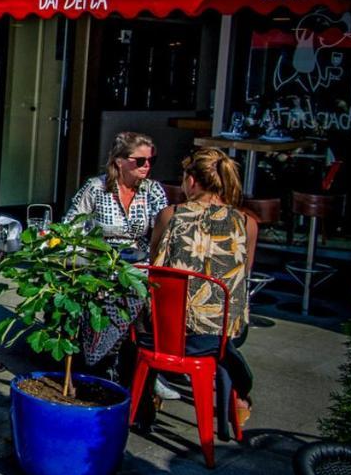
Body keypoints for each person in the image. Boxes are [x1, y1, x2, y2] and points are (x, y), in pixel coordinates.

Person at [149, 148, 257, 427]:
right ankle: (238, 396)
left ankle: (144, 399)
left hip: (172, 335)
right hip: (225, 333)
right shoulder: (247, 223)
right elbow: (242, 279)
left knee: (130, 324)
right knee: (220, 338)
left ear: (192, 181)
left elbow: (155, 274)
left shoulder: (170, 216)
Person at [63, 131, 169, 370]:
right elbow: (71, 226)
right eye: (140, 161)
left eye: (151, 160)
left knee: (146, 291)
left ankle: (144, 364)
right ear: (119, 161)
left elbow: (162, 233)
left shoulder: (152, 191)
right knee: (111, 290)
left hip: (140, 260)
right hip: (100, 258)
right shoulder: (96, 188)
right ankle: (105, 356)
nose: (146, 166)